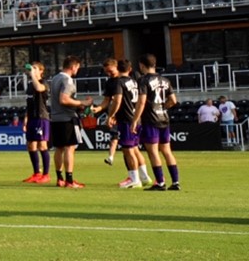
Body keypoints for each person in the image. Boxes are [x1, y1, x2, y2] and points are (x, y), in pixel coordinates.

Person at [98, 59, 152, 189]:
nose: (108, 74)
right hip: (135, 118)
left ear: (117, 68)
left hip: (126, 120)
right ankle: (145, 177)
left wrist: (110, 116)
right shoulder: (133, 81)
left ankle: (135, 180)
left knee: (127, 150)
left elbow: (117, 101)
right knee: (134, 149)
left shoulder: (119, 82)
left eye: (110, 71)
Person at [134, 54, 181, 190]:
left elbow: (141, 101)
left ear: (142, 65)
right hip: (164, 118)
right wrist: (162, 107)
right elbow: (173, 100)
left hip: (151, 120)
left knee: (153, 151)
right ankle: (176, 182)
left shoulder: (143, 80)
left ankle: (160, 182)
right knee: (167, 150)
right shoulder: (165, 80)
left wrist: (135, 120)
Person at [48, 56, 90, 188]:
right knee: (69, 148)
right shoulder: (67, 80)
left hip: (55, 118)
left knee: (59, 148)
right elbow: (64, 99)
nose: (78, 69)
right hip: (67, 118)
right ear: (73, 67)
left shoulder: (55, 78)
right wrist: (82, 103)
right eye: (77, 67)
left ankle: (60, 178)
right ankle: (70, 181)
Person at [22, 62, 53, 184]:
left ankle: (46, 174)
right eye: (32, 68)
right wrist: (26, 118)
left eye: (35, 68)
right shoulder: (30, 85)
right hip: (32, 118)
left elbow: (39, 88)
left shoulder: (44, 83)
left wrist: (33, 76)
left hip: (41, 117)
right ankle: (36, 173)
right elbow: (29, 103)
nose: (32, 70)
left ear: (41, 71)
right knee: (30, 145)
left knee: (42, 145)